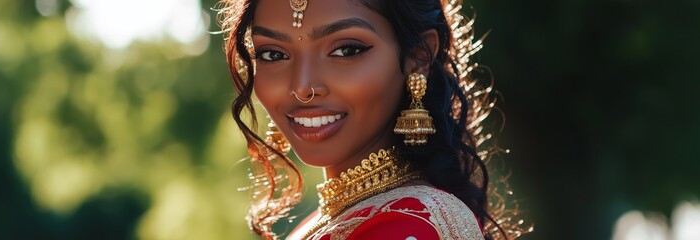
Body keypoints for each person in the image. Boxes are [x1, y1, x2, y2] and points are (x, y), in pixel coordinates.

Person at [215, 0, 531, 239]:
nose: (302, 87)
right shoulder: (330, 221)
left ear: (418, 58)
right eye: (274, 54)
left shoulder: (409, 225)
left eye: (346, 50)